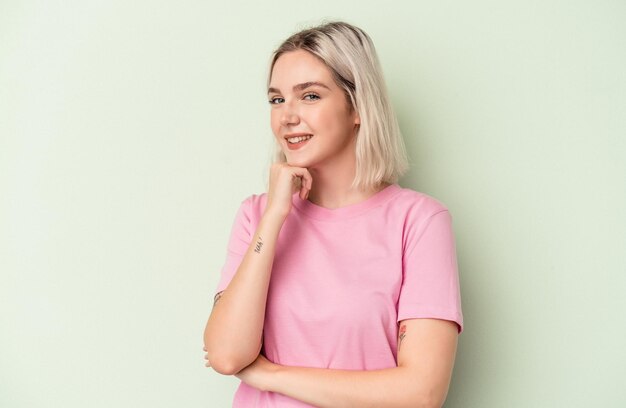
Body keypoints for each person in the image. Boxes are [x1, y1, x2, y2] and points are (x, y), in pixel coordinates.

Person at [203, 20, 464, 407]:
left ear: (357, 106)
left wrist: (270, 375)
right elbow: (226, 354)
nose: (287, 116)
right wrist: (275, 215)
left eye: (309, 96)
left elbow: (421, 393)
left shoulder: (418, 222)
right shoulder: (256, 215)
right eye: (277, 100)